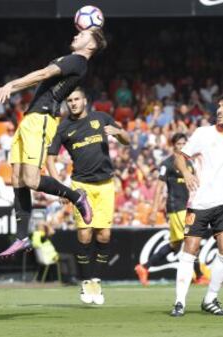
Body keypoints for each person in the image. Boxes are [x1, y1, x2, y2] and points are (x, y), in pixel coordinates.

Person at [0, 29, 107, 258]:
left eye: (83, 34)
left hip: (42, 118)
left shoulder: (77, 60)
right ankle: (22, 237)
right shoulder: (74, 60)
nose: (76, 35)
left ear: (91, 45)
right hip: (30, 119)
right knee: (16, 179)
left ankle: (77, 197)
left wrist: (8, 86)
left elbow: (42, 74)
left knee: (31, 180)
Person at [171, 94, 223, 317]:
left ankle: (210, 299)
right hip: (199, 203)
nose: (219, 110)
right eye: (218, 106)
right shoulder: (203, 133)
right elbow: (180, 156)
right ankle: (180, 302)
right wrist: (187, 173)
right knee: (190, 249)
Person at [46, 87, 130, 305]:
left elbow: (127, 140)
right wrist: (60, 188)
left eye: (76, 99)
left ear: (85, 100)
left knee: (103, 236)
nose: (73, 103)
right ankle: (85, 281)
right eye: (69, 100)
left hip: (105, 185)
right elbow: (50, 159)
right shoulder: (63, 127)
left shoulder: (101, 118)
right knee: (84, 236)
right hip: (81, 186)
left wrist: (119, 133)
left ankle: (96, 280)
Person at [134, 133, 209, 286]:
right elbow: (159, 187)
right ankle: (199, 276)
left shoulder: (189, 164)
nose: (182, 146)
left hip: (187, 206)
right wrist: (154, 211)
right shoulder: (167, 164)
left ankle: (144, 267)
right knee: (191, 239)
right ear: (173, 145)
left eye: (184, 143)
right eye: (179, 143)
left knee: (175, 245)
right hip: (176, 207)